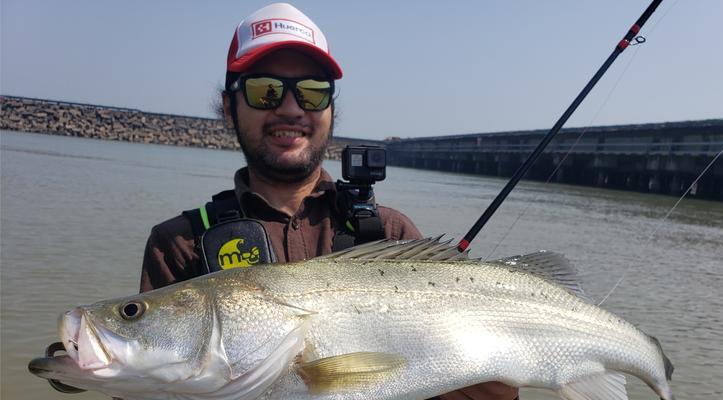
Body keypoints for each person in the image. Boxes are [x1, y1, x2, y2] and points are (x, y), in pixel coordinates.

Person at [138, 3, 518, 400]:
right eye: (264, 91)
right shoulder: (179, 245)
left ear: (331, 109)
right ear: (230, 108)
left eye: (312, 92)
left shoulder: (390, 232)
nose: (290, 108)